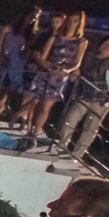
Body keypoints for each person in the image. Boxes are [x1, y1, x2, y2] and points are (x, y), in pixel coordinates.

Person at [58, 34, 109, 158]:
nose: (107, 46)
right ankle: (62, 145)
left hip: (102, 98)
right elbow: (81, 69)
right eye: (106, 43)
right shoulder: (90, 56)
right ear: (101, 43)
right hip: (84, 93)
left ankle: (77, 154)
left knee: (90, 127)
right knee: (70, 118)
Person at [23, 11, 87, 142]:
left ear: (80, 23)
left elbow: (77, 62)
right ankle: (28, 131)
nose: (71, 23)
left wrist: (67, 70)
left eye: (75, 21)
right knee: (33, 102)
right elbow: (42, 57)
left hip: (60, 76)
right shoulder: (55, 37)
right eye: (70, 20)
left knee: (46, 107)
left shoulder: (81, 41)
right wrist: (49, 68)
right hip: (46, 72)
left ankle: (34, 134)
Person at [0, 8, 39, 120]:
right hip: (4, 59)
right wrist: (2, 57)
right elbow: (0, 44)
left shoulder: (28, 33)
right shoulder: (10, 28)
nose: (33, 19)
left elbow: (24, 50)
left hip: (16, 63)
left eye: (35, 18)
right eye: (32, 16)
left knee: (7, 90)